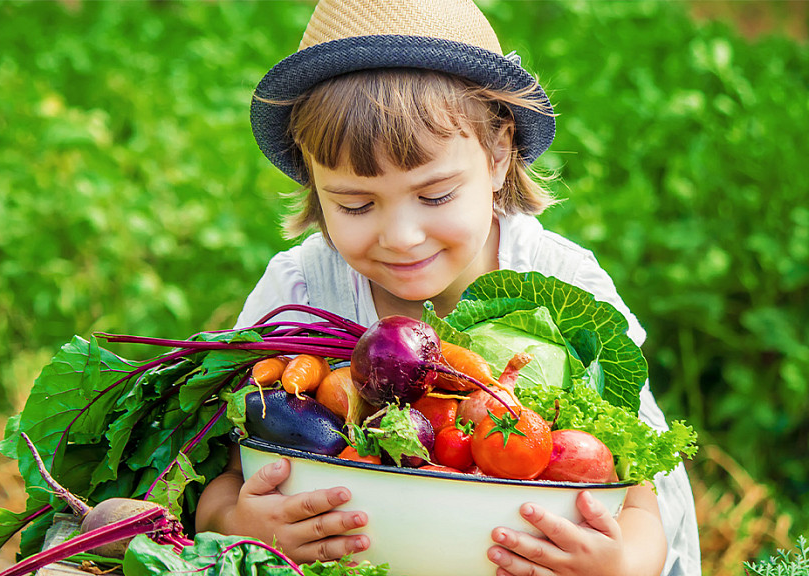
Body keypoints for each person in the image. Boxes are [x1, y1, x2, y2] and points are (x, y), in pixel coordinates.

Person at [194, 0, 701, 574]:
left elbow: (642, 499)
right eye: (356, 204)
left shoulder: (562, 282)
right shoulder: (300, 290)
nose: (403, 237)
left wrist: (618, 565)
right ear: (315, 185)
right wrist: (236, 525)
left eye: (435, 197)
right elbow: (222, 479)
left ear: (499, 157)